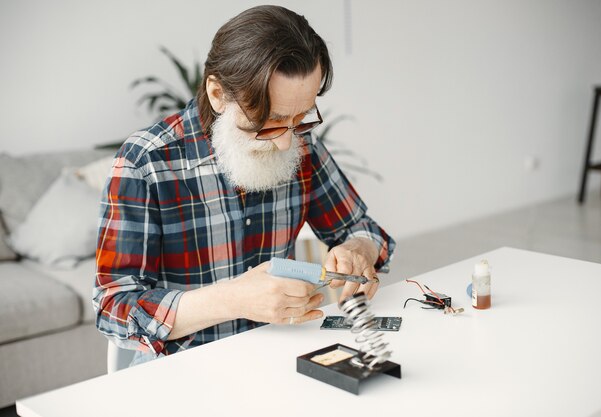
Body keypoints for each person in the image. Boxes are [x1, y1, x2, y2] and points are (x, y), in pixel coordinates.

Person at [93, 5, 395, 364]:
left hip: (280, 353)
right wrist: (234, 299)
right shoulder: (145, 163)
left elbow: (364, 230)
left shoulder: (299, 141)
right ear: (218, 94)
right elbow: (114, 308)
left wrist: (358, 249)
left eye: (301, 119)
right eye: (270, 123)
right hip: (185, 370)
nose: (287, 142)